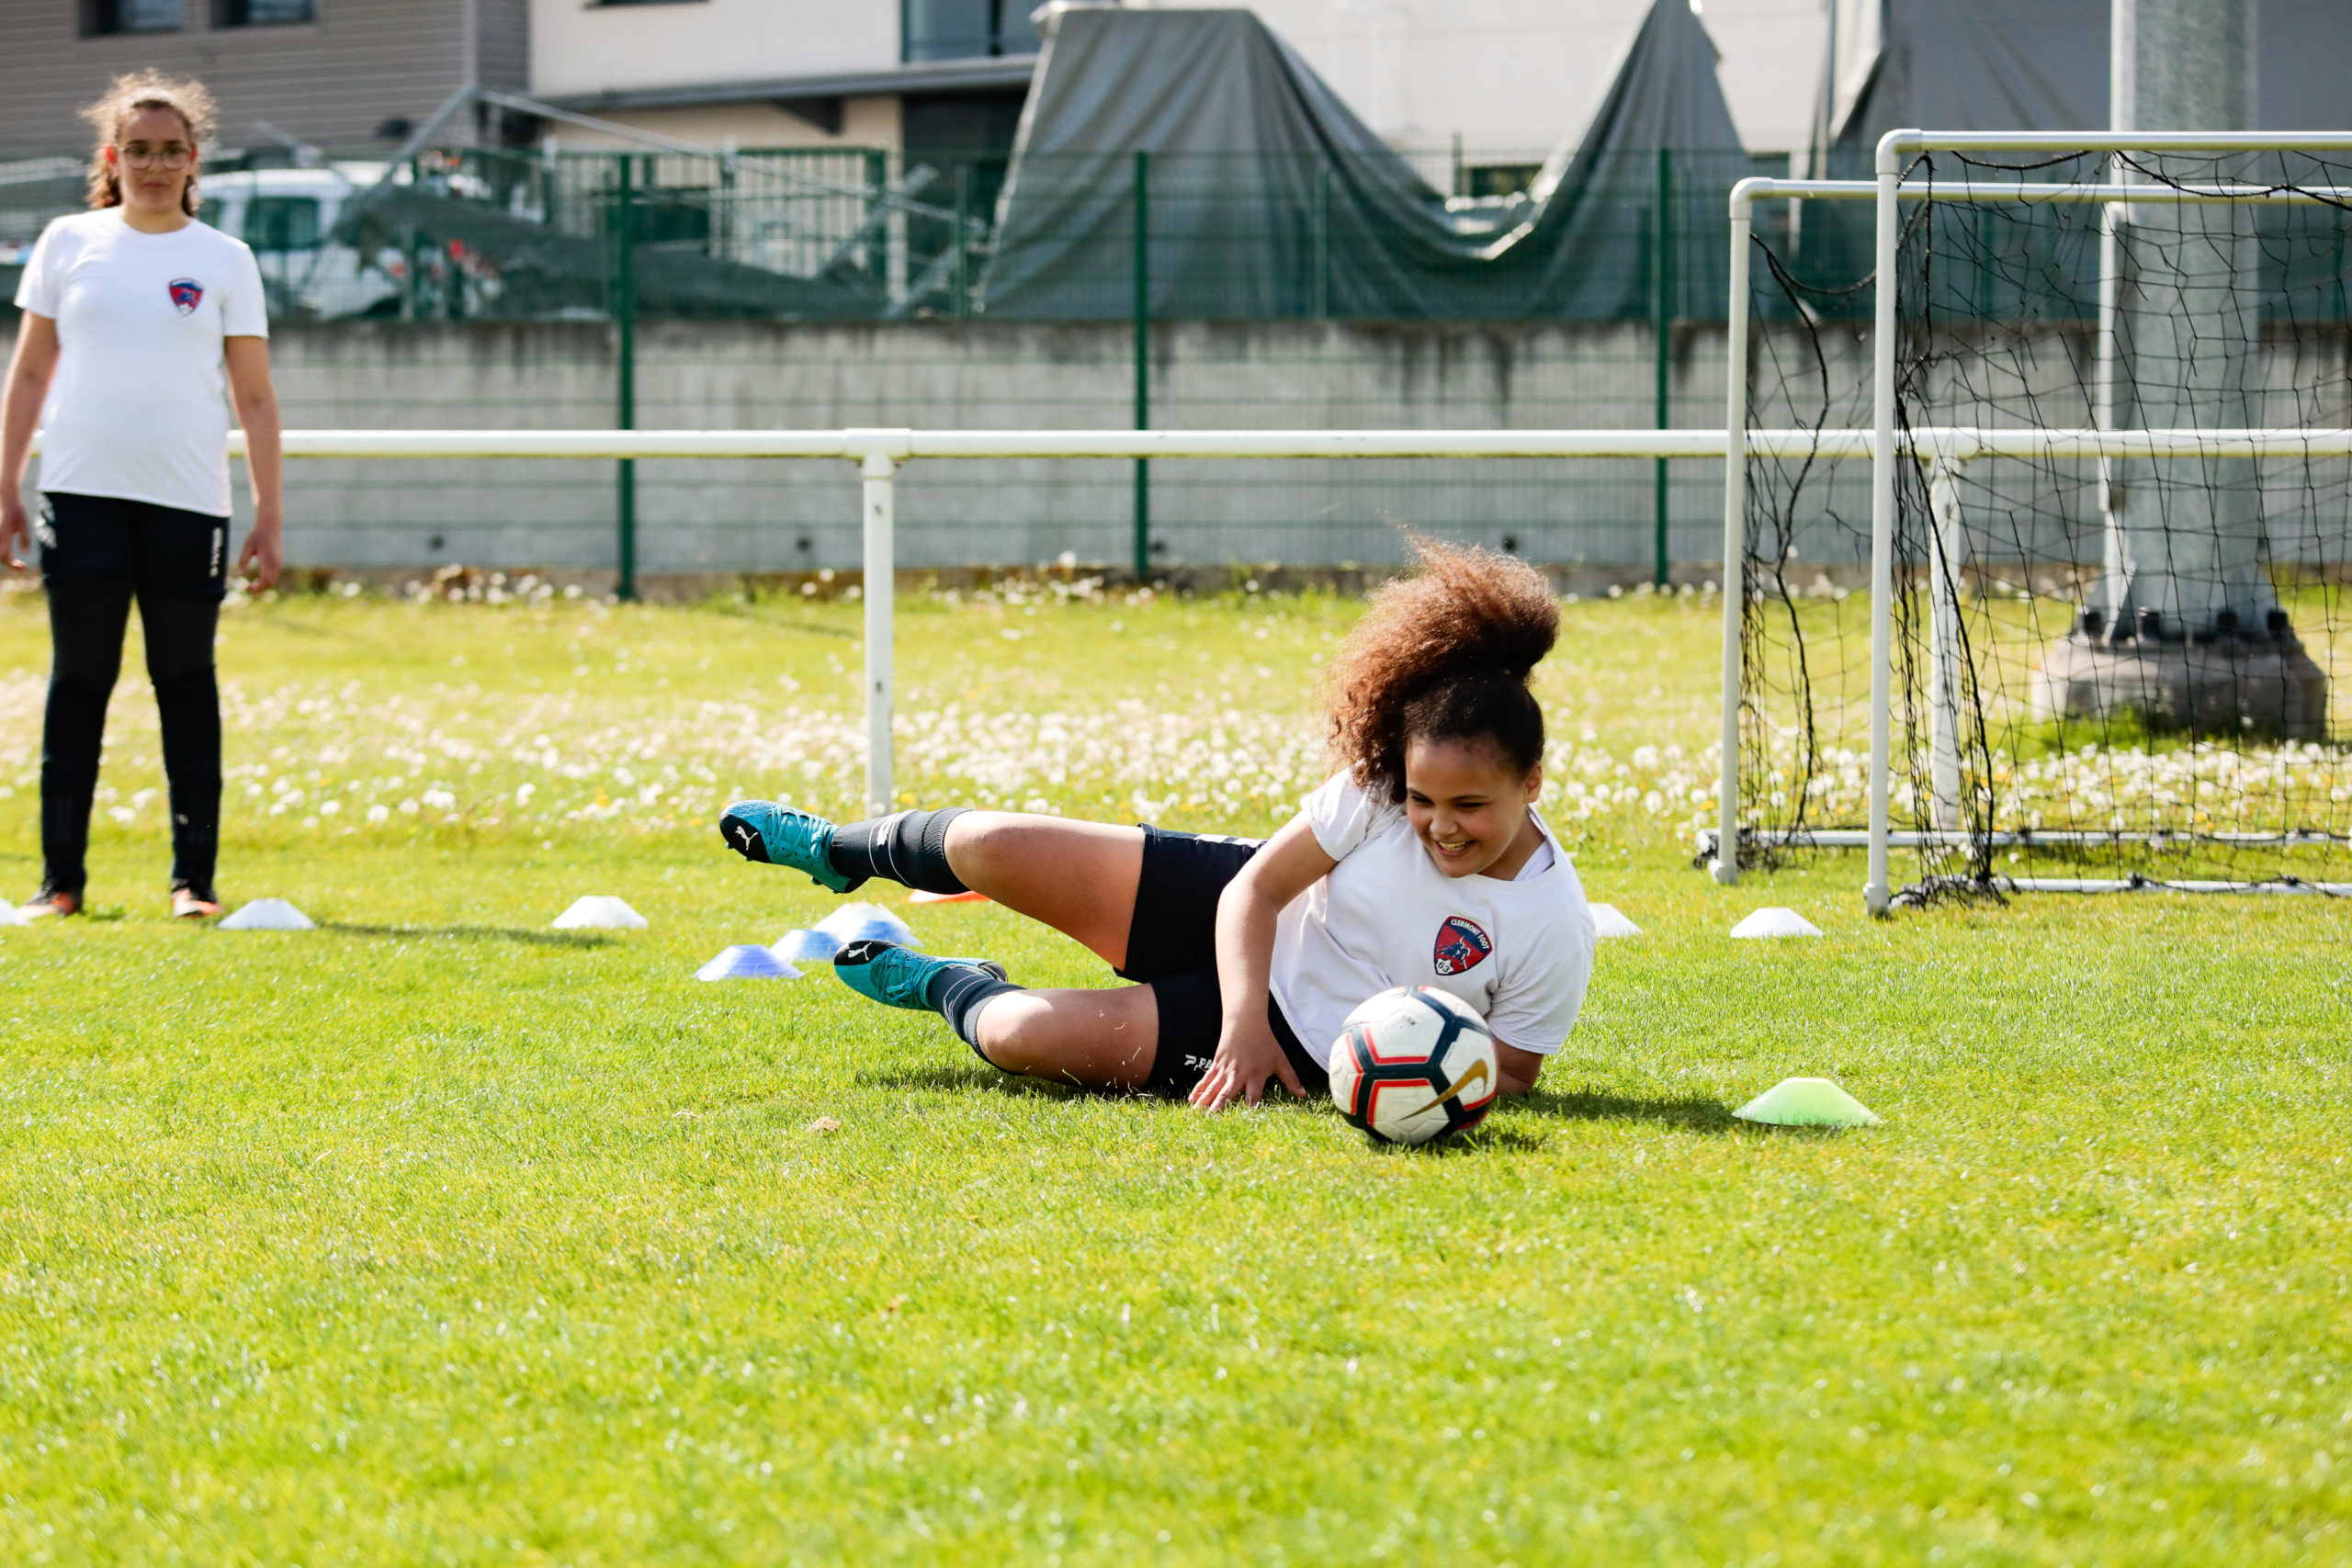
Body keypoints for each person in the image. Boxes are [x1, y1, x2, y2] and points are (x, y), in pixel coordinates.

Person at [718, 539, 1597, 1112]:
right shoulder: (1374, 790)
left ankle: (948, 981)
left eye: (1470, 806)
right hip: (1238, 914)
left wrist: (1395, 1076)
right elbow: (1256, 889)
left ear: (1533, 782)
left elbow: (1513, 1074)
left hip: (1297, 1044)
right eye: (1423, 801)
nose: (1439, 826)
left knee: (1018, 1037)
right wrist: (1241, 1022)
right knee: (989, 843)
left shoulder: (1552, 922)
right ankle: (838, 853)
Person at [0, 72, 284, 919]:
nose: (154, 166)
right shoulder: (65, 242)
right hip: (82, 498)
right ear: (112, 157)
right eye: (138, 151)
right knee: (79, 679)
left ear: (193, 160)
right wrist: (6, 482)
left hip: (191, 506)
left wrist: (270, 511)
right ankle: (61, 884)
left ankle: (193, 882)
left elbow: (257, 396)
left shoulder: (224, 259)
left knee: (185, 678)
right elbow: (31, 371)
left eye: (170, 151)